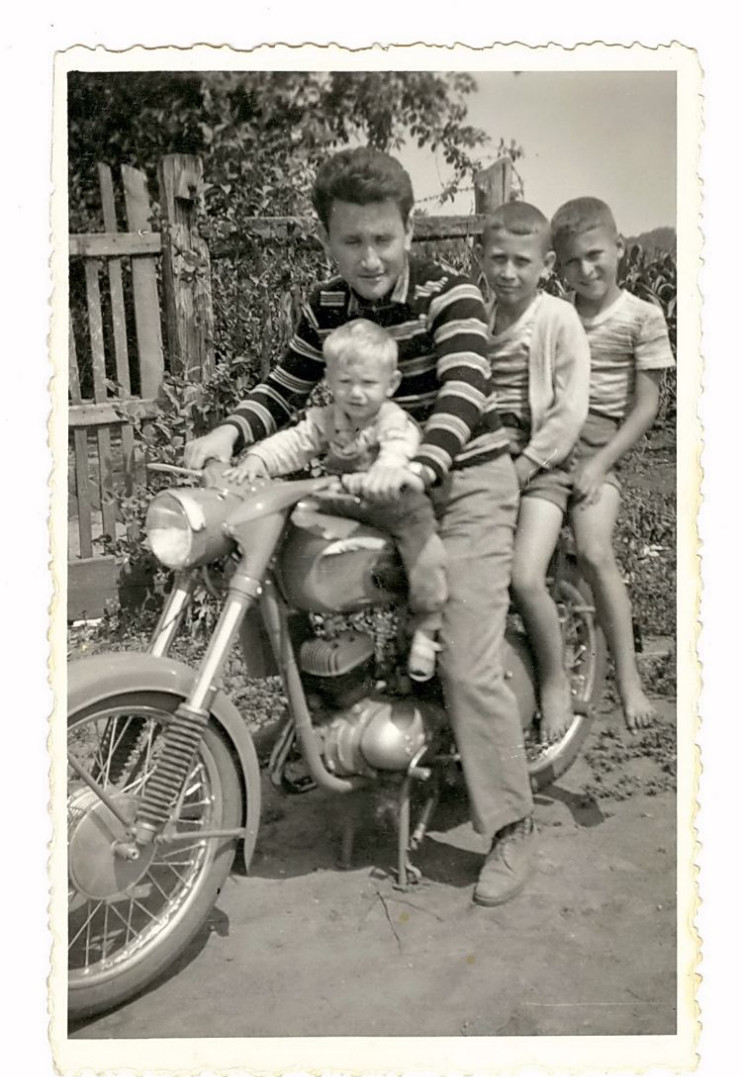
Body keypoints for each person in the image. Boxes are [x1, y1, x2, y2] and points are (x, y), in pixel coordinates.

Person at [185, 146, 533, 907]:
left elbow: (466, 392)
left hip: (463, 476)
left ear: (410, 231)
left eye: (382, 238)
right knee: (271, 543)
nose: (369, 257)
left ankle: (509, 826)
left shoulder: (454, 297)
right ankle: (316, 715)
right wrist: (230, 432)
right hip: (366, 482)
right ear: (328, 241)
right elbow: (287, 384)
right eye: (352, 241)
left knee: (468, 656)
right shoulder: (328, 307)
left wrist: (423, 464)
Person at [225, 318, 447, 681]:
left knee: (427, 554)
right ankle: (298, 623)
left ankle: (427, 626)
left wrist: (387, 472)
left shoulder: (392, 419)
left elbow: (399, 447)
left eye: (368, 384)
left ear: (390, 385)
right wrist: (257, 460)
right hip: (346, 499)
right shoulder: (327, 418)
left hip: (397, 506)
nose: (356, 393)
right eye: (345, 382)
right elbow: (295, 443)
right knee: (290, 523)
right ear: (329, 381)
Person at [550, 196, 676, 730]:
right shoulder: (554, 316)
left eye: (596, 254)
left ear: (621, 249)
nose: (587, 269)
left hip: (602, 447)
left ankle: (628, 679)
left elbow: (647, 407)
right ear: (559, 268)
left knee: (596, 551)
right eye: (573, 261)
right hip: (550, 446)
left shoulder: (641, 318)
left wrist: (600, 465)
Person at [482, 202, 590, 742]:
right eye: (498, 259)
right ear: (481, 258)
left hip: (543, 466)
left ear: (545, 264)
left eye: (521, 262)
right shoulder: (481, 319)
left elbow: (570, 410)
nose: (508, 272)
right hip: (487, 463)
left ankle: (554, 681)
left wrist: (525, 466)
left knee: (525, 577)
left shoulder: (556, 319)